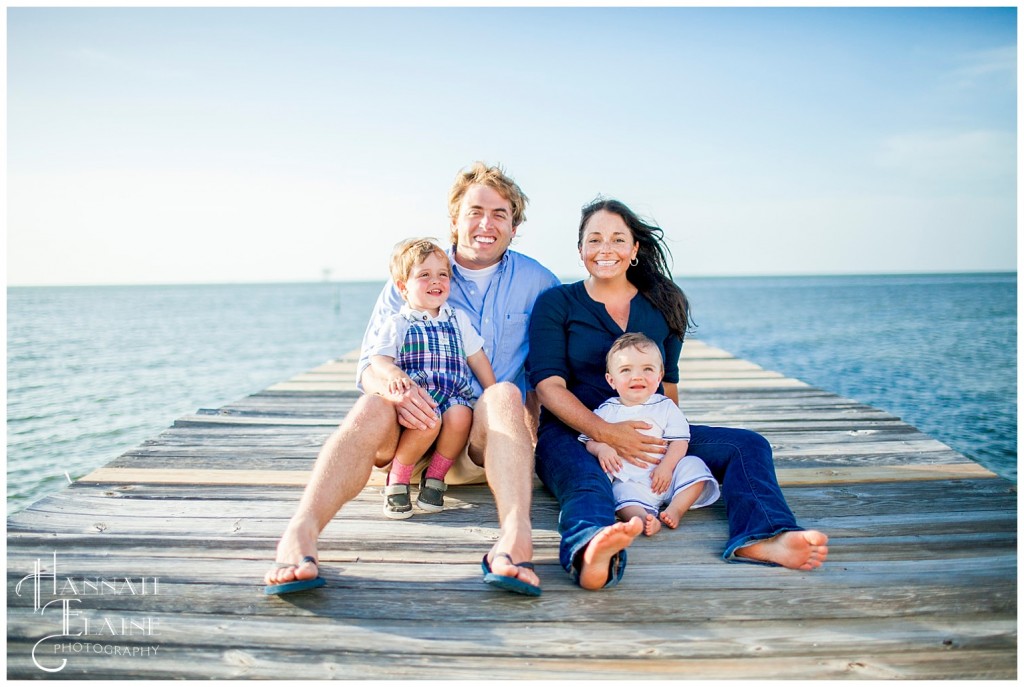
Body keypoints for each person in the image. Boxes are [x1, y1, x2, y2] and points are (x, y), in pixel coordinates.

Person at [264, 162, 560, 596]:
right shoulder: (415, 273)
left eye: (500, 214)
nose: (486, 223)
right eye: (475, 210)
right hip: (409, 437)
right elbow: (369, 365)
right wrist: (395, 387)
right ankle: (300, 534)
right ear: (455, 221)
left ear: (514, 226)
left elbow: (553, 371)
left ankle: (515, 540)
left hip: (484, 444)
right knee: (372, 403)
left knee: (502, 392)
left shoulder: (540, 283)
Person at [528, 197, 828, 591]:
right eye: (594, 239)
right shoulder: (557, 303)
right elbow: (549, 388)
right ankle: (590, 554)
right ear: (580, 249)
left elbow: (668, 389)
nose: (605, 249)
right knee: (588, 483)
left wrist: (666, 453)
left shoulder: (663, 303)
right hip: (572, 434)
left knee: (747, 446)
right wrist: (607, 434)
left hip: (652, 425)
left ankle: (762, 537)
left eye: (618, 239)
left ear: (635, 249)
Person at [366, 237, 497, 519]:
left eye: (442, 275)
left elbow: (476, 357)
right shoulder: (399, 323)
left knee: (462, 416)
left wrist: (493, 392)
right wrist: (394, 375)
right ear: (403, 287)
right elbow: (378, 360)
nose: (435, 281)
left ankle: (435, 477)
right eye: (424, 275)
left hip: (453, 395)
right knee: (428, 420)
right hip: (419, 397)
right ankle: (398, 479)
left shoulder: (457, 318)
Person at [581, 332, 719, 537]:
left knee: (694, 466)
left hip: (668, 475)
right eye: (626, 370)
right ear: (611, 380)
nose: (637, 376)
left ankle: (676, 509)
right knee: (620, 494)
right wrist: (602, 448)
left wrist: (666, 467)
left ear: (659, 376)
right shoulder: (607, 410)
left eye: (647, 369)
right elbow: (589, 439)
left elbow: (680, 442)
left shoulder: (665, 406)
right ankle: (643, 519)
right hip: (632, 481)